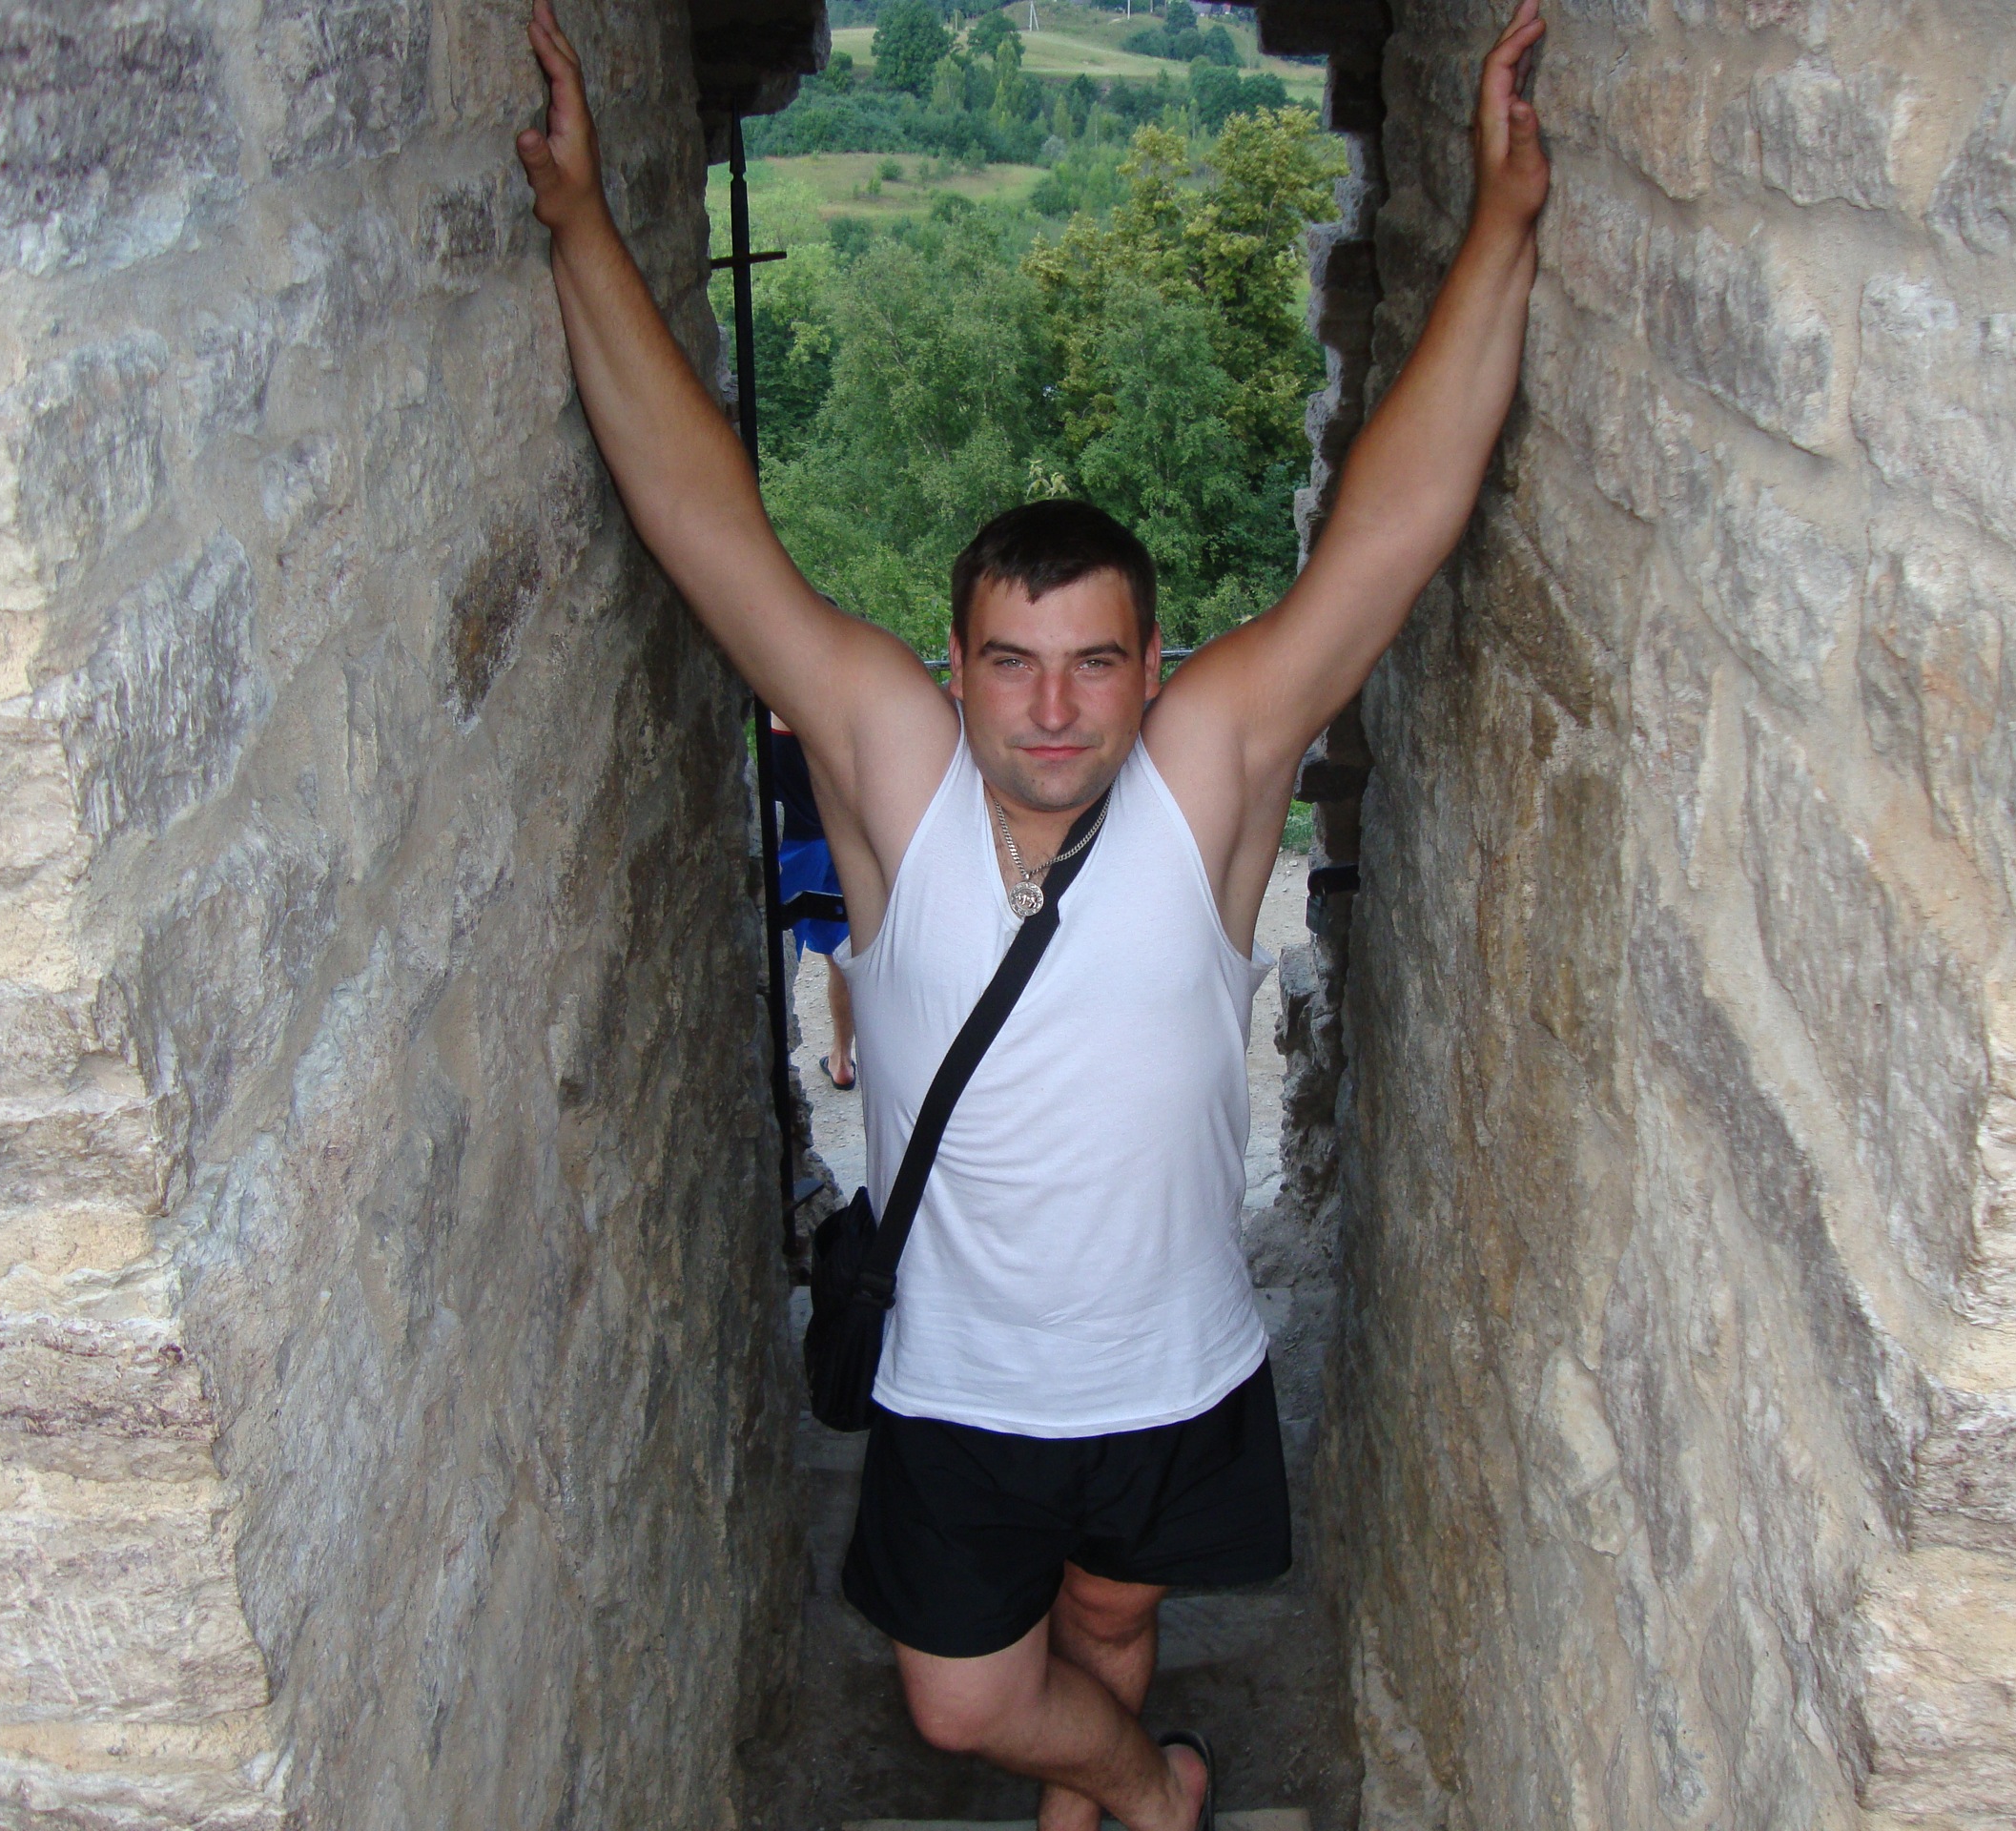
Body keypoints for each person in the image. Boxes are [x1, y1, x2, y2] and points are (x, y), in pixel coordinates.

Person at [513, 4, 1548, 1824]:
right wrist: (584, 223)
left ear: (1152, 668)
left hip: (1170, 1360)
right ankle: (1151, 1793)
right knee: (967, 1699)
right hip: (960, 1382)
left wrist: (1502, 226)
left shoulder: (1204, 779)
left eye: (1092, 665)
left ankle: (1104, 1804)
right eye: (1011, 661)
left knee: (1115, 1616)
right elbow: (704, 525)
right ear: (956, 667)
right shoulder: (896, 781)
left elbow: (1388, 536)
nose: (1052, 709)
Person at [769, 715, 856, 1089]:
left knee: (780, 961)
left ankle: (775, 1072)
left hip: (794, 847)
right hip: (841, 840)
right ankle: (842, 1060)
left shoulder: (784, 701)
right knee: (845, 955)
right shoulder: (842, 706)